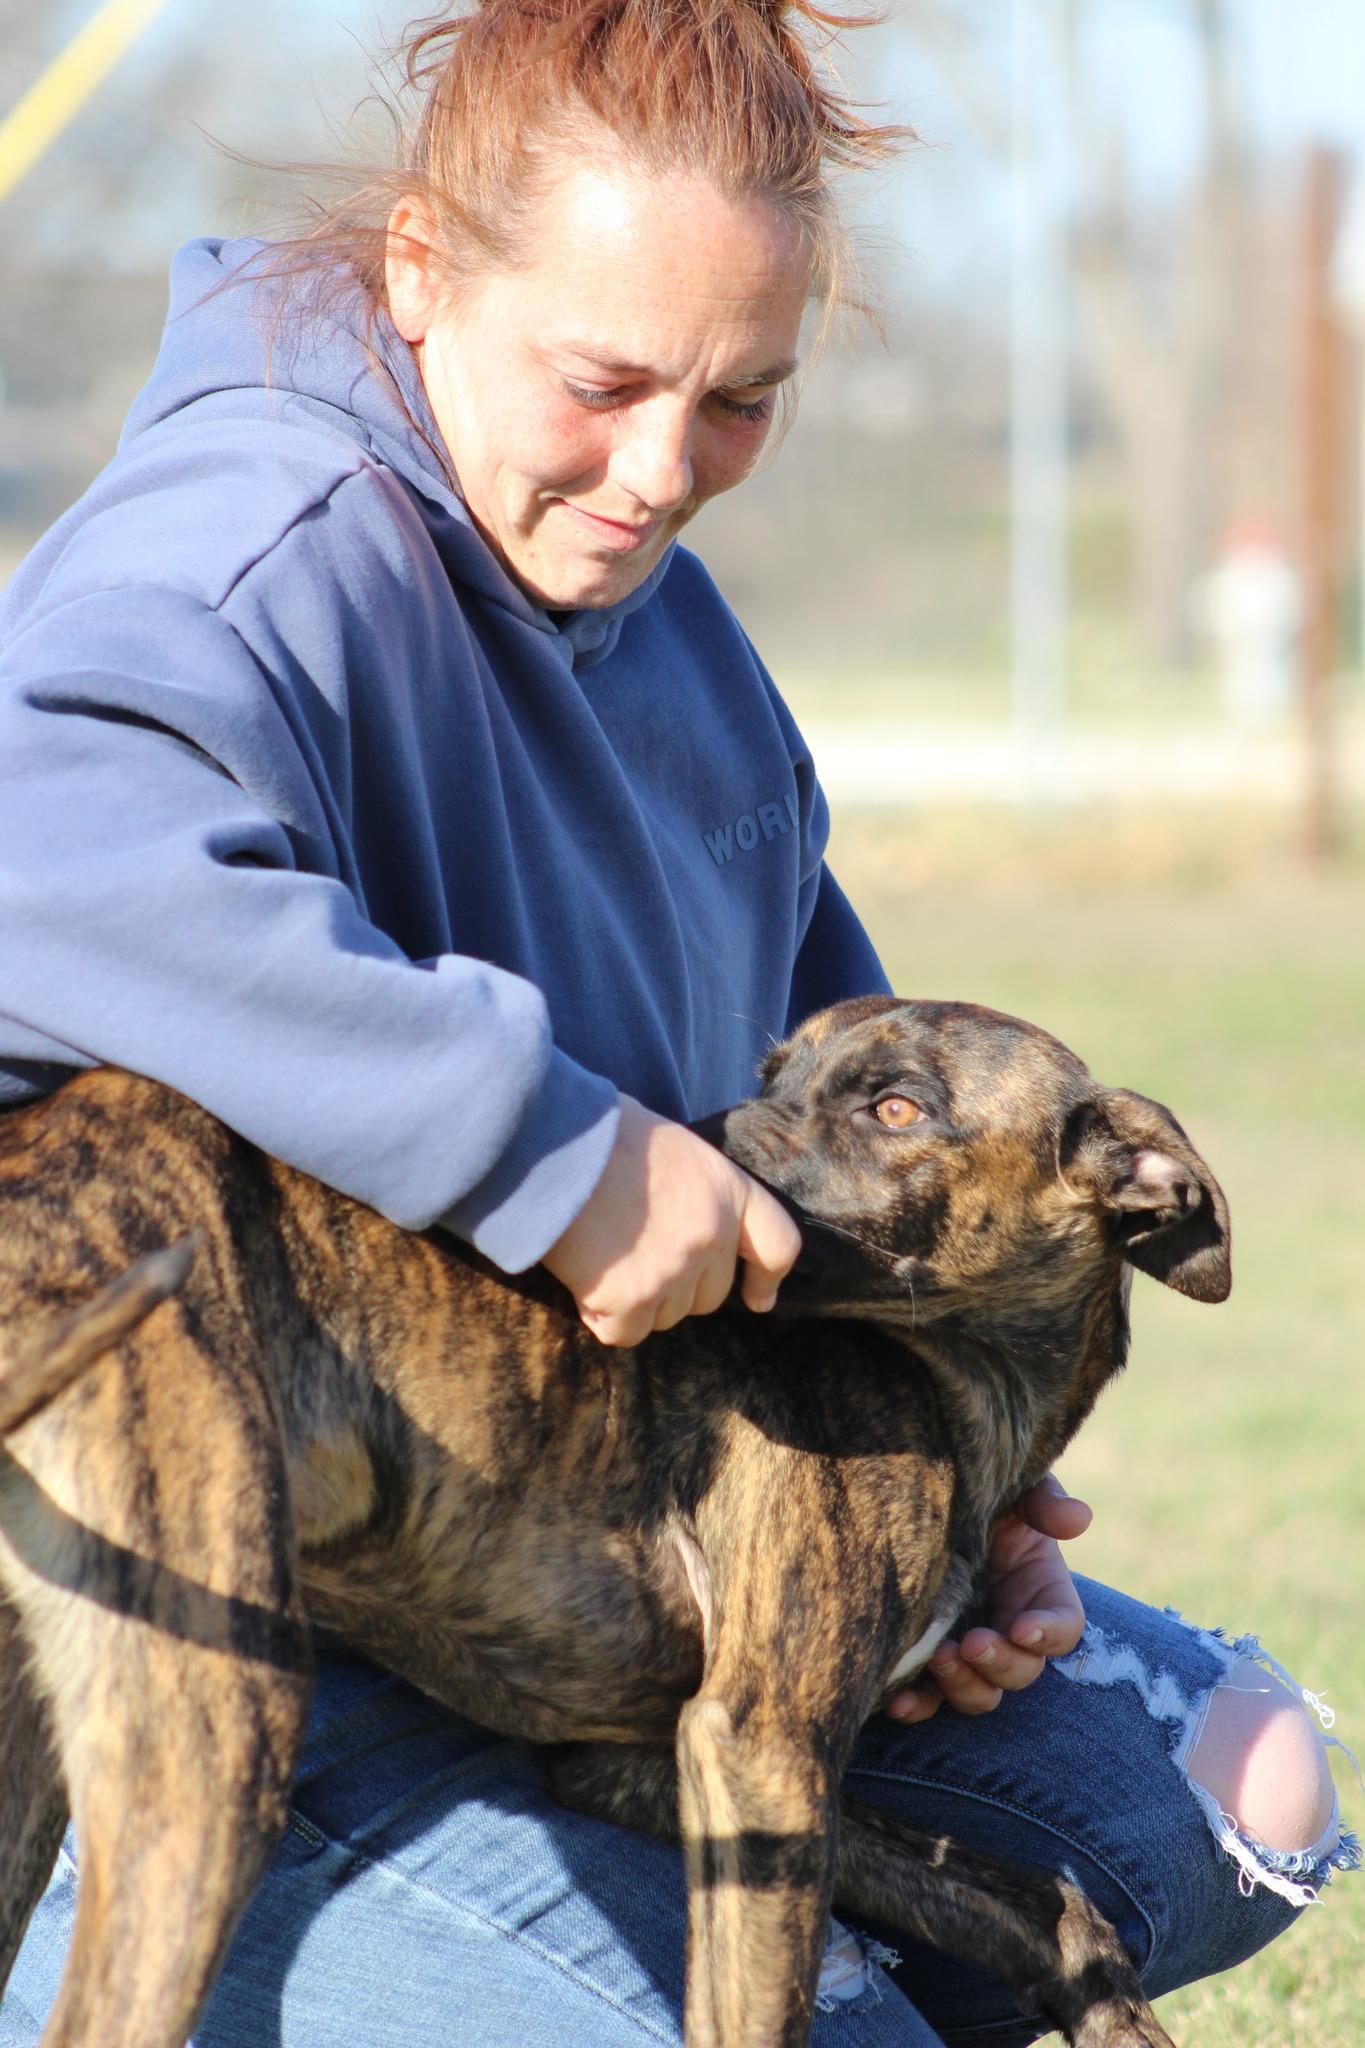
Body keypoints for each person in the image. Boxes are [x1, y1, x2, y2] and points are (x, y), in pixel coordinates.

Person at [0, 3, 1354, 2042]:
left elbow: (848, 1067)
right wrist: (549, 1147)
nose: (656, 472)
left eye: (738, 398)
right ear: (419, 277)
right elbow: (39, 853)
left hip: (601, 1576)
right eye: (604, 380)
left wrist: (943, 1486)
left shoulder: (661, 619)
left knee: (1232, 1789)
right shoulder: (252, 542)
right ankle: (112, 1932)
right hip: (201, 1570)